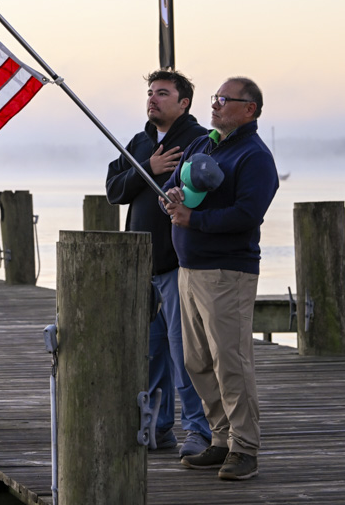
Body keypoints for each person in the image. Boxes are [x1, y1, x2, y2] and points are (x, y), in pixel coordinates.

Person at [160, 76, 279, 481]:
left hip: (228, 272)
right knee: (196, 361)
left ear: (249, 109)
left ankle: (245, 449)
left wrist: (195, 219)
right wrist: (171, 198)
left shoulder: (255, 156)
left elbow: (247, 214)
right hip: (188, 269)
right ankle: (221, 438)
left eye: (224, 99)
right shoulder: (203, 144)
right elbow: (170, 186)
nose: (215, 104)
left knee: (231, 362)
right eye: (215, 98)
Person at [106, 69, 212, 457]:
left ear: (184, 102)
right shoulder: (140, 142)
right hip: (141, 269)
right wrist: (147, 169)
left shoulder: (199, 141)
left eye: (163, 93)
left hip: (179, 266)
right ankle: (158, 427)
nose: (153, 98)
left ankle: (199, 431)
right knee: (150, 355)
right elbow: (113, 190)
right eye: (150, 92)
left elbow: (206, 191)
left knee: (186, 355)